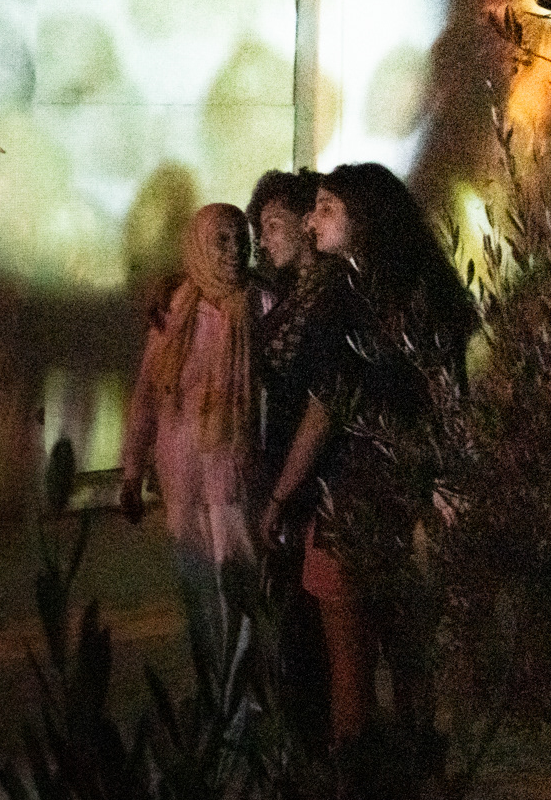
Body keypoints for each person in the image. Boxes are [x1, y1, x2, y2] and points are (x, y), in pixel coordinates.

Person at [262, 162, 475, 744]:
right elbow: (452, 398)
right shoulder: (426, 291)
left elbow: (327, 403)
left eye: (326, 208)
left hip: (350, 494)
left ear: (366, 219)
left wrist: (280, 495)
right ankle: (419, 778)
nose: (310, 220)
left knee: (349, 664)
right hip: (410, 491)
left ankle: (352, 798)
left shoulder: (351, 301)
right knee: (410, 655)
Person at [119, 204, 260, 686]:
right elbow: (146, 396)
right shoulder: (175, 310)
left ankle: (242, 698)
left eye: (240, 237)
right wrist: (132, 472)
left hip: (233, 472)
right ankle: (212, 690)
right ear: (199, 244)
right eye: (221, 239)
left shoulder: (257, 305)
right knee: (198, 587)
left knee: (238, 585)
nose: (235, 249)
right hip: (181, 477)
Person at [245, 169, 331, 751]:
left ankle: (318, 742)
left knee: (310, 616)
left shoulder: (325, 299)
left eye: (273, 224)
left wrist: (280, 493)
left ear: (307, 223)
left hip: (310, 479)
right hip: (282, 468)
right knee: (291, 612)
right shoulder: (286, 298)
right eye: (258, 228)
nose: (264, 238)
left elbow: (320, 405)